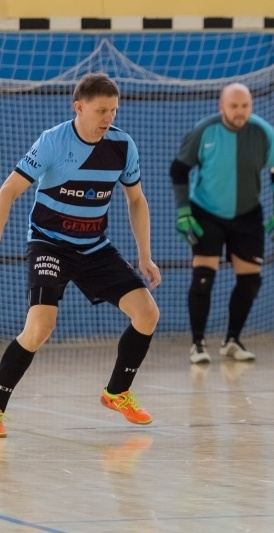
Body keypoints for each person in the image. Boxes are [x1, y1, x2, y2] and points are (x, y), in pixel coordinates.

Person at [0, 73, 161, 437]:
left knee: (147, 313)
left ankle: (117, 393)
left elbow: (136, 200)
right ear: (79, 107)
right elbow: (8, 191)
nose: (109, 117)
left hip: (93, 247)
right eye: (101, 110)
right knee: (40, 327)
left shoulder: (122, 146)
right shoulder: (52, 142)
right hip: (49, 243)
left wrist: (145, 256)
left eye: (113, 110)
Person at [169, 83, 274, 364]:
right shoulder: (205, 130)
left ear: (251, 106)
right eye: (234, 106)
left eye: (245, 106)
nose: (240, 111)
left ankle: (232, 340)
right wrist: (183, 211)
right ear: (221, 107)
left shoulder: (262, 132)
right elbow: (179, 169)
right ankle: (198, 343)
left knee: (250, 281)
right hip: (206, 212)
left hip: (247, 214)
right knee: (203, 278)